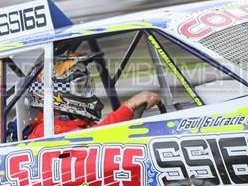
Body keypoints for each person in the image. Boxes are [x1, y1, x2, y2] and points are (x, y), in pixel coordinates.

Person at [18, 53, 160, 139]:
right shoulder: (47, 129)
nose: (86, 92)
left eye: (86, 86)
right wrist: (130, 106)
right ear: (54, 93)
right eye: (80, 87)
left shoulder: (72, 121)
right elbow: (96, 137)